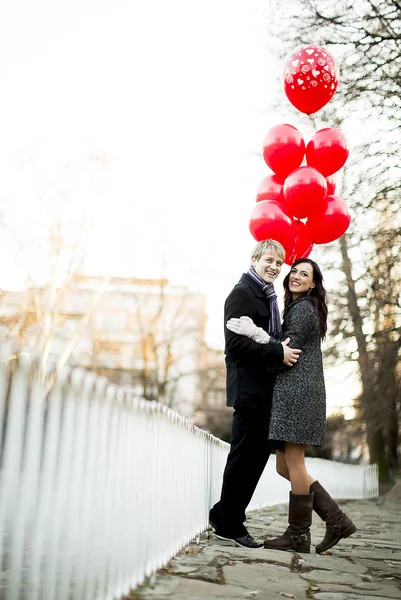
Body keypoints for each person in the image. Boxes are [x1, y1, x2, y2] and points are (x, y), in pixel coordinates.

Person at [227, 258, 357, 554]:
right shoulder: (302, 307)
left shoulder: (301, 310)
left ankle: (298, 534)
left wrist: (255, 334)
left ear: (314, 284)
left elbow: (287, 350)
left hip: (297, 393)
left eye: (305, 274)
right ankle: (336, 520)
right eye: (294, 271)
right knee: (284, 465)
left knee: (294, 463)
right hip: (297, 391)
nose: (296, 276)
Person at [209, 239, 302, 549]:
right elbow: (234, 345)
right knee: (243, 458)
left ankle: (225, 514)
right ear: (255, 259)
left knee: (256, 457)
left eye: (279, 262)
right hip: (249, 389)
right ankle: (229, 525)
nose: (274, 267)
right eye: (269, 261)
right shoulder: (242, 293)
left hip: (263, 390)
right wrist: (276, 352)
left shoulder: (266, 294)